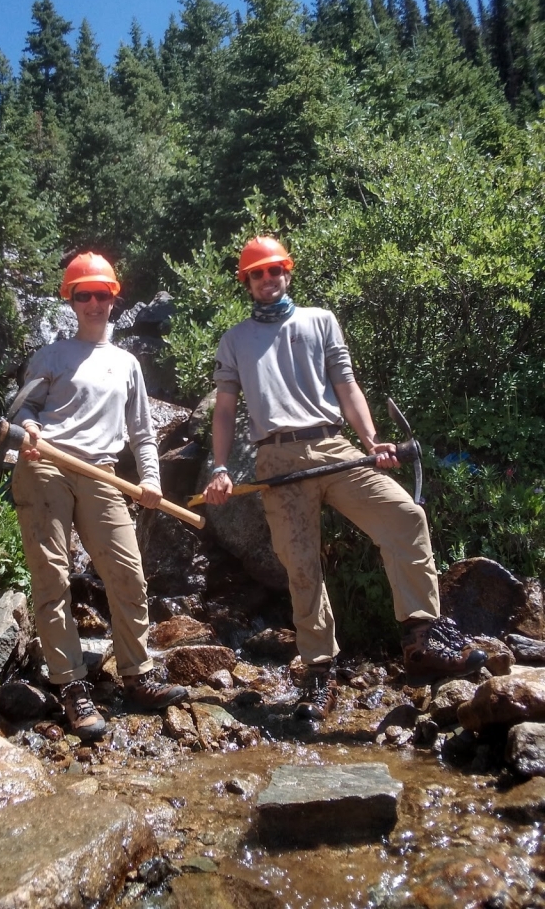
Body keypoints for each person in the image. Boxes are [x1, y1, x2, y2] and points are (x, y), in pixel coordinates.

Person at [202, 237, 487, 721]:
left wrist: (372, 440)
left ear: (288, 272)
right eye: (257, 274)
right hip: (277, 461)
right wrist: (221, 467)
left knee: (404, 516)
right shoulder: (235, 339)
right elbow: (225, 409)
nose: (267, 280)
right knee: (301, 567)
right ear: (246, 283)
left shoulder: (320, 320)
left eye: (274, 270)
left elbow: (346, 385)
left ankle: (422, 638)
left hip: (335, 447)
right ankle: (318, 675)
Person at [11, 252, 187, 742]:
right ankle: (70, 684)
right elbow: (22, 409)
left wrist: (151, 480)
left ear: (114, 298)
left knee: (127, 572)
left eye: (101, 294)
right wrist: (27, 430)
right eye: (82, 294)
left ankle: (137, 672)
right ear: (70, 300)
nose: (92, 302)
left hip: (103, 472)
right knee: (52, 575)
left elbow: (143, 434)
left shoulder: (127, 363)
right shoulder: (50, 355)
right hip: (45, 464)